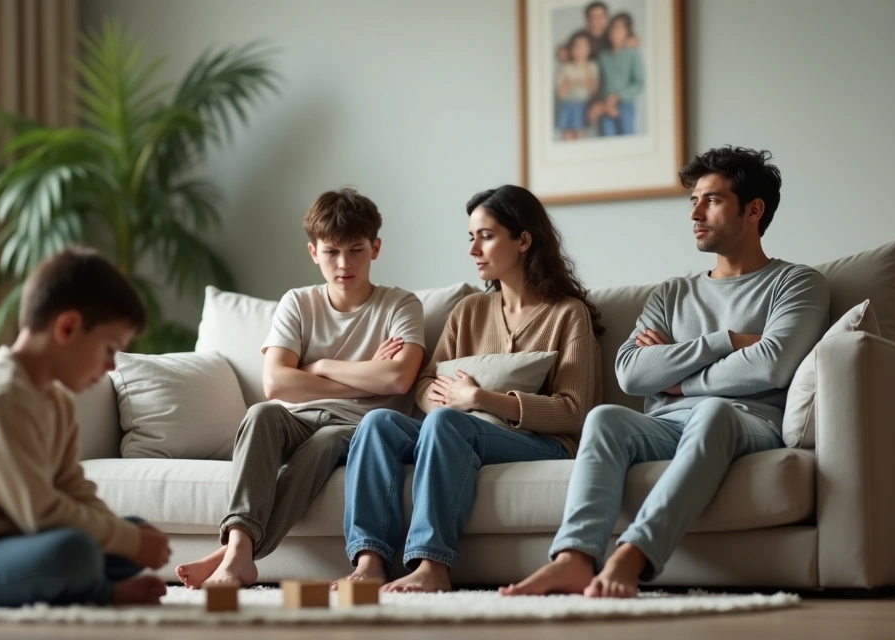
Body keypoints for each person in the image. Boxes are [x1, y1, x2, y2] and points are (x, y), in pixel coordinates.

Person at [502, 146, 831, 599]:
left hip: (744, 421)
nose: (695, 212)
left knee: (713, 411)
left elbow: (772, 363)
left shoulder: (796, 283)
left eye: (711, 200)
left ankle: (632, 556)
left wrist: (676, 376)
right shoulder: (672, 293)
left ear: (753, 210)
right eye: (693, 199)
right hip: (666, 424)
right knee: (605, 418)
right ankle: (574, 559)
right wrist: (727, 341)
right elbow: (633, 375)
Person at [340, 185, 604, 593]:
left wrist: (480, 399)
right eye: (471, 237)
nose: (473, 249)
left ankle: (432, 566)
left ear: (523, 240)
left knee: (447, 423)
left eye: (486, 236)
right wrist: (443, 399)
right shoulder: (468, 311)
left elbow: (573, 411)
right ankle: (370, 561)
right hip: (455, 427)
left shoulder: (568, 315)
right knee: (378, 424)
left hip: (543, 442)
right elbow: (425, 382)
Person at [0, 247, 172, 607]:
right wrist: (127, 541)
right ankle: (99, 592)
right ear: (67, 327)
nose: (112, 367)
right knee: (77, 552)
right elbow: (40, 513)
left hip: (4, 539)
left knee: (129, 530)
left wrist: (131, 537)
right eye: (109, 349)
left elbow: (71, 487)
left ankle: (84, 582)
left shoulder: (56, 401)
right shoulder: (1, 396)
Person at [175, 188, 426, 588]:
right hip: (299, 418)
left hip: (359, 428)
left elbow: (397, 378)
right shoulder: (297, 303)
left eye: (356, 250)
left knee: (325, 442)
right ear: (314, 252)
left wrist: (321, 366)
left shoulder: (400, 305)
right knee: (260, 413)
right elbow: (275, 383)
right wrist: (365, 375)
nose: (344, 264)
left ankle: (235, 555)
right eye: (331, 252)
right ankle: (240, 549)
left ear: (375, 248)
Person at [589, 12, 644, 136]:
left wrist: (618, 96)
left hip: (625, 105)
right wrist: (600, 103)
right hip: (605, 107)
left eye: (620, 28)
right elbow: (598, 83)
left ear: (627, 31)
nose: (615, 32)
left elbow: (639, 83)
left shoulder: (632, 54)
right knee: (607, 140)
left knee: (627, 140)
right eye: (613, 28)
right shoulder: (602, 57)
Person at [556, 31, 600, 140]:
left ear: (589, 48)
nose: (579, 50)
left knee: (579, 134)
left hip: (582, 105)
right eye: (576, 47)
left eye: (583, 46)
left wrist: (578, 82)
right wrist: (572, 83)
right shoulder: (566, 67)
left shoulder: (591, 66)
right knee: (567, 134)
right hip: (567, 104)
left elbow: (594, 88)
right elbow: (560, 91)